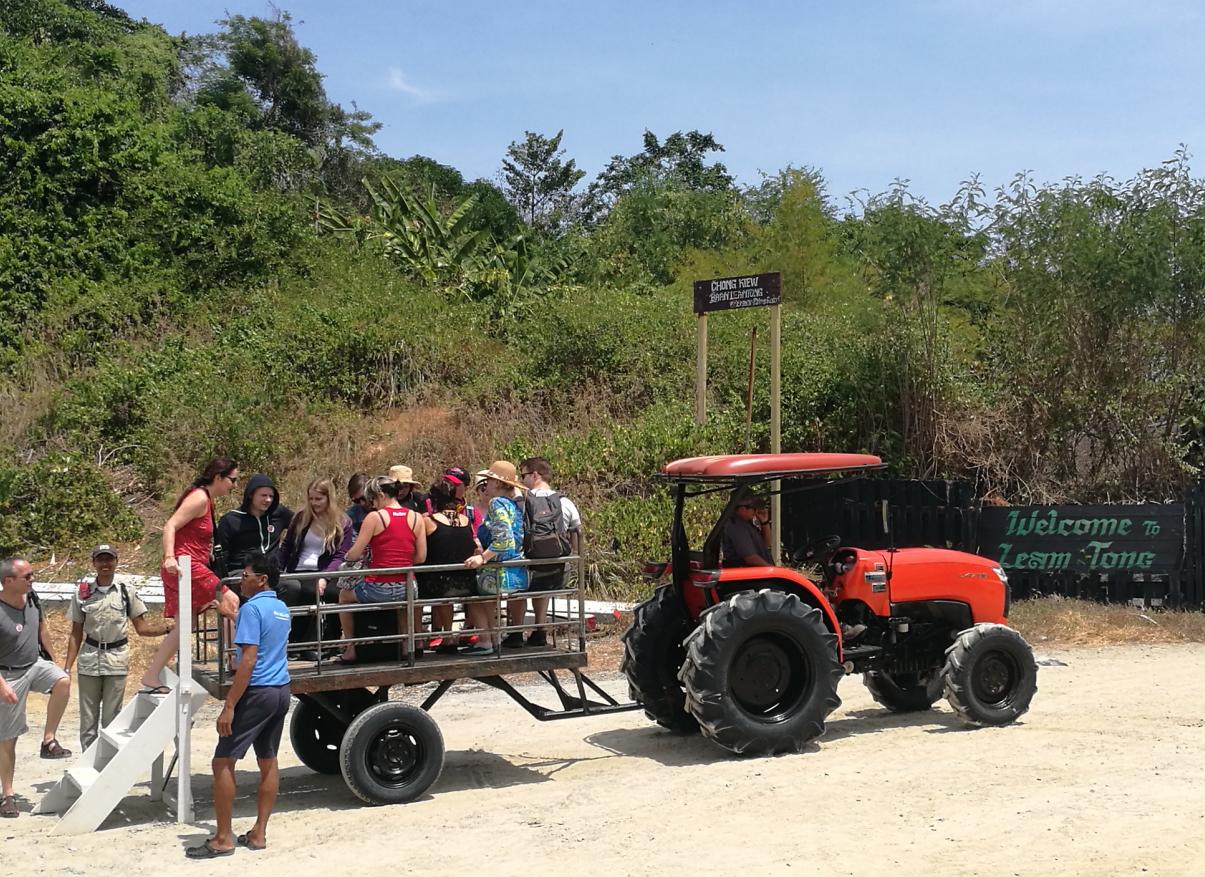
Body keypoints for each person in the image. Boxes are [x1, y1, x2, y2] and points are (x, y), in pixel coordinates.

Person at [186, 553, 291, 859]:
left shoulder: (251, 608)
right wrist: (233, 617)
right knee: (268, 759)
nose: (241, 580)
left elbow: (249, 659)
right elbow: (268, 640)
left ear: (262, 579)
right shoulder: (281, 608)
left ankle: (222, 839)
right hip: (281, 689)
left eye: (246, 575)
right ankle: (259, 833)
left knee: (222, 762)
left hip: (257, 692)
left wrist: (230, 705)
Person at [139, 458, 242, 693]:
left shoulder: (207, 499)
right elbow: (170, 526)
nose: (234, 486)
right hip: (186, 566)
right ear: (218, 477)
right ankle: (235, 660)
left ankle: (152, 674)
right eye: (232, 480)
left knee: (186, 625)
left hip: (188, 566)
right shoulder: (199, 498)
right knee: (231, 600)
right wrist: (168, 557)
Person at [63, 544, 166, 751]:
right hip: (89, 659)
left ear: (116, 561)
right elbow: (76, 633)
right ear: (93, 563)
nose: (105, 564)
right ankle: (88, 763)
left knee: (112, 719)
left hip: (117, 659)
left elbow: (142, 628)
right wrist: (66, 668)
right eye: (100, 560)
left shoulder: (126, 591)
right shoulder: (83, 593)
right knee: (88, 719)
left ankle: (106, 764)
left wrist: (168, 629)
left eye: (109, 559)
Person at [0, 557, 73, 819]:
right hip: (7, 674)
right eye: (27, 576)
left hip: (34, 664)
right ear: (8, 581)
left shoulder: (32, 598)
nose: (32, 579)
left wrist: (54, 663)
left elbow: (42, 630)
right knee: (8, 739)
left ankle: (48, 741)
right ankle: (7, 796)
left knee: (63, 681)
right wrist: (2, 686)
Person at [336, 475, 428, 663]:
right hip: (408, 586)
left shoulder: (375, 517)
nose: (372, 505)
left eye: (372, 500)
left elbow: (355, 553)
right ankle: (406, 647)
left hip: (379, 588)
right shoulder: (416, 517)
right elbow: (421, 557)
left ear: (380, 495)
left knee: (344, 596)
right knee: (404, 603)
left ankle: (351, 648)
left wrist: (347, 558)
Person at [278, 479, 355, 660]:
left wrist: (325, 576)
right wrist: (279, 570)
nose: (314, 503)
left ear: (329, 498)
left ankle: (332, 641)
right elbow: (287, 547)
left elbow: (340, 555)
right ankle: (300, 642)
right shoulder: (300, 518)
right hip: (299, 569)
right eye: (311, 498)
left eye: (318, 499)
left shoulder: (343, 522)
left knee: (336, 592)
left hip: (326, 570)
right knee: (306, 591)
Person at [462, 462, 528, 657]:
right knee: (485, 598)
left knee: (471, 596)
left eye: (489, 480)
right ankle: (493, 640)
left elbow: (504, 540)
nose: (486, 484)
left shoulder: (496, 503)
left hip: (501, 573)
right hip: (515, 571)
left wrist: (482, 558)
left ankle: (486, 641)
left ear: (498, 484)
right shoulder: (513, 505)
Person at [517, 457, 582, 648]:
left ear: (535, 474)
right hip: (557, 568)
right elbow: (577, 531)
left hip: (529, 562)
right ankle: (540, 629)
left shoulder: (523, 502)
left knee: (520, 589)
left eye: (523, 476)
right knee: (543, 586)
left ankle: (515, 632)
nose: (521, 481)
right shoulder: (565, 502)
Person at [419, 478, 480, 654]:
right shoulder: (465, 519)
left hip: (438, 582)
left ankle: (427, 638)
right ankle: (450, 635)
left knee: (420, 589)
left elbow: (421, 552)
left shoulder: (428, 521)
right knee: (445, 584)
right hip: (466, 581)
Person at [214, 473, 293, 577]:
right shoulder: (230, 520)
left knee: (293, 586)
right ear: (251, 495)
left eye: (271, 496)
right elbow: (222, 554)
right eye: (263, 495)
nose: (268, 500)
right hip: (241, 572)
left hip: (272, 572)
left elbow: (302, 523)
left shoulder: (279, 513)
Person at [721, 493, 773, 567]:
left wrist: (764, 523)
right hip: (752, 575)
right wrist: (773, 570)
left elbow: (766, 543)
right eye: (754, 508)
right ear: (742, 508)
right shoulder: (737, 527)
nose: (756, 511)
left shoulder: (747, 523)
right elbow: (751, 558)